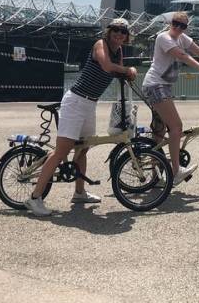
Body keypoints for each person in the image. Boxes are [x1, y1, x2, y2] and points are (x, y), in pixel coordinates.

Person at [25, 17, 136, 217]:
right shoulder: (100, 45)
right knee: (61, 153)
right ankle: (34, 198)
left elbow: (116, 71)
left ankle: (79, 192)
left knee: (83, 148)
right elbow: (106, 66)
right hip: (75, 101)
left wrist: (127, 74)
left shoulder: (118, 51)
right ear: (109, 31)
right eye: (116, 30)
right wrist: (128, 69)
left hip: (90, 103)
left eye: (123, 31)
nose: (119, 34)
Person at [141, 11, 199, 184]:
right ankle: (176, 170)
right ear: (170, 23)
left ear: (186, 28)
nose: (178, 27)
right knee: (177, 127)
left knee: (160, 131)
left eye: (183, 25)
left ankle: (156, 175)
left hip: (161, 86)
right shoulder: (163, 37)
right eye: (176, 23)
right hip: (155, 85)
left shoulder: (182, 38)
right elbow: (182, 56)